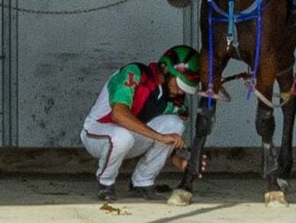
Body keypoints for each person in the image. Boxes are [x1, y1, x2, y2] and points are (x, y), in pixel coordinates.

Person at [82, 44, 213, 206]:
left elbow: (169, 137)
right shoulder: (134, 73)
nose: (181, 92)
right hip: (97, 134)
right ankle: (106, 182)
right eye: (179, 85)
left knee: (175, 125)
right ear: (165, 69)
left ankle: (142, 182)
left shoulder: (176, 100)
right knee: (122, 136)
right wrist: (160, 137)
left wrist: (178, 158)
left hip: (131, 137)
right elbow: (118, 114)